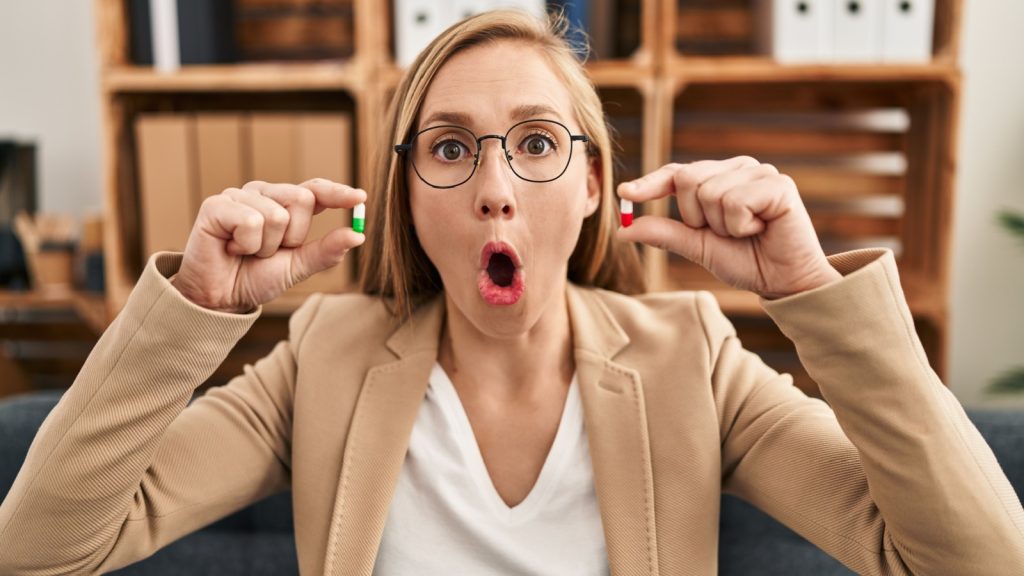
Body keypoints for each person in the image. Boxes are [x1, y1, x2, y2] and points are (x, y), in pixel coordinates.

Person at [1, 9, 1022, 576]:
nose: (493, 190)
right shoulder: (326, 354)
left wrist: (810, 291)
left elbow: (973, 563)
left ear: (590, 186)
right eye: (449, 150)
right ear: (406, 194)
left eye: (535, 143)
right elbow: (43, 550)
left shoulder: (690, 355)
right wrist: (196, 312)